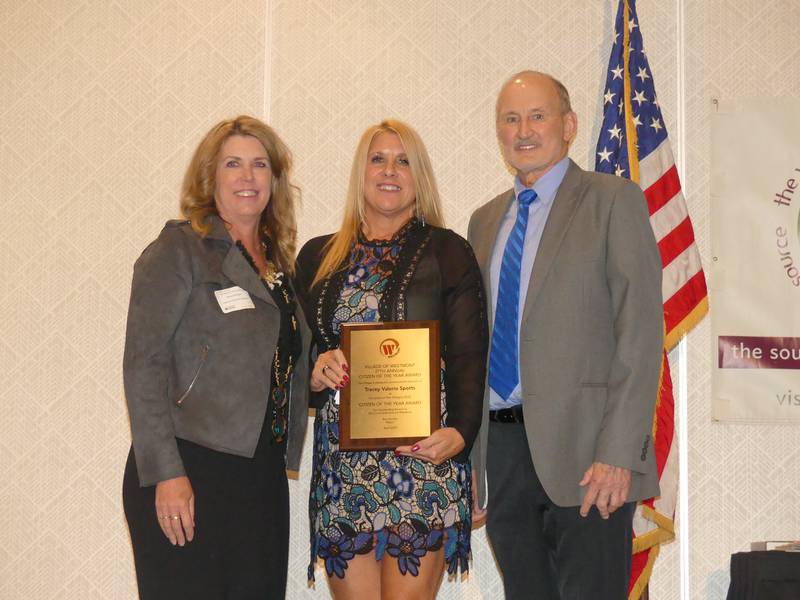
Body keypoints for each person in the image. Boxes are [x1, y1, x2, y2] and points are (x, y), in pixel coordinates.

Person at [468, 71, 664, 599]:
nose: (523, 130)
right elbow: (474, 346)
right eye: (510, 119)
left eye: (538, 115)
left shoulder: (613, 200)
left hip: (589, 455)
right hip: (504, 452)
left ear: (569, 124)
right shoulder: (484, 221)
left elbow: (640, 333)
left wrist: (619, 451)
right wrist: (475, 460)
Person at [295, 119, 487, 600]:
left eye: (403, 160)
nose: (390, 170)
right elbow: (292, 356)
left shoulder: (449, 252)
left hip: (424, 458)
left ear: (419, 174)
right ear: (361, 172)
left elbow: (468, 354)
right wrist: (315, 372)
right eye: (378, 158)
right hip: (344, 467)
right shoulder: (317, 256)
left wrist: (461, 433)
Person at [122, 115, 309, 599]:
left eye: (259, 165)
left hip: (260, 475)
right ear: (211, 177)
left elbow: (279, 365)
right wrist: (166, 473)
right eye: (233, 164)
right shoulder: (179, 249)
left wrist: (320, 372)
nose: (248, 177)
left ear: (274, 178)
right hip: (189, 466)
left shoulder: (278, 267)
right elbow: (144, 365)